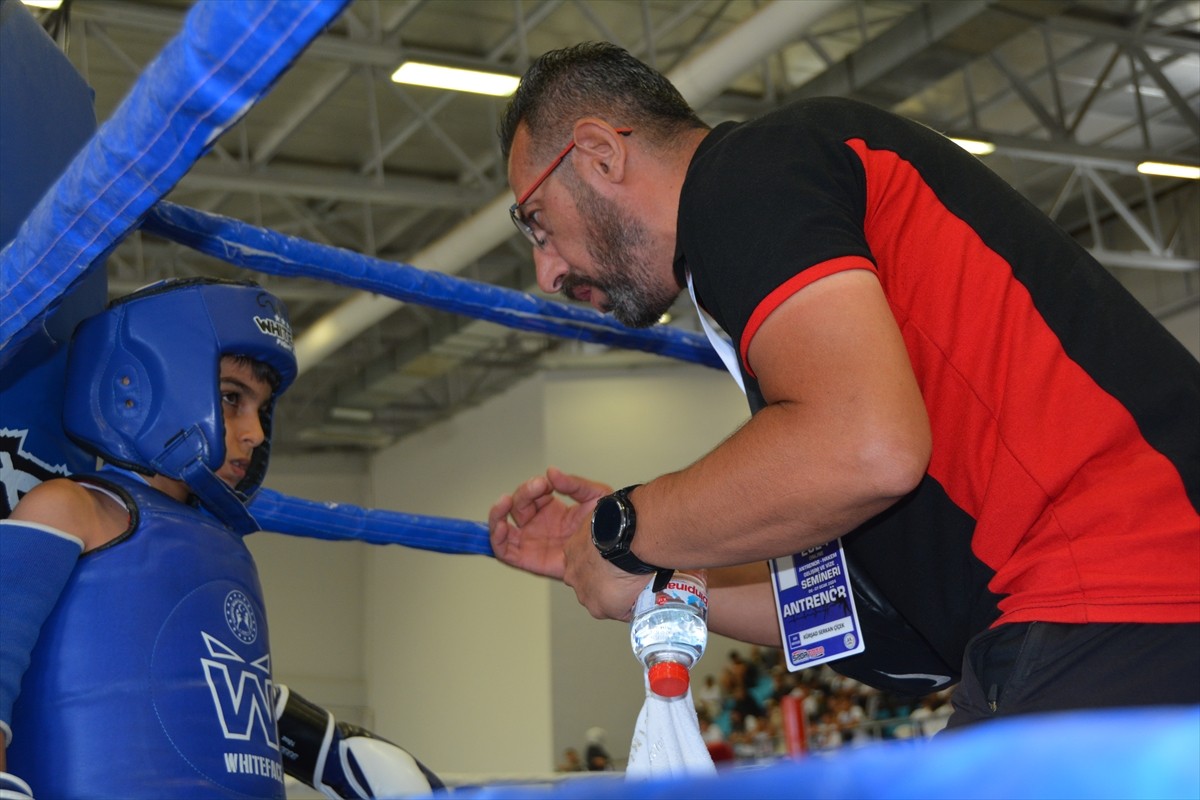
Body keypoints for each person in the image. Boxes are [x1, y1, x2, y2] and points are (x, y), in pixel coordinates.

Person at [487, 42, 1200, 729]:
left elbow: (863, 449)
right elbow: (847, 609)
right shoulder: (777, 280)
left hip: (1120, 590)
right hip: (1098, 612)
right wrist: (646, 576)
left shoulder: (744, 177)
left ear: (600, 153)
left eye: (538, 224)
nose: (547, 273)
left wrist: (625, 528)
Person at [0, 279, 442, 799]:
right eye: (232, 398)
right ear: (135, 386)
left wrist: (333, 751)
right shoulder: (74, 508)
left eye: (260, 407)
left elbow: (207, 684)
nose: (254, 432)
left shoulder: (223, 545)